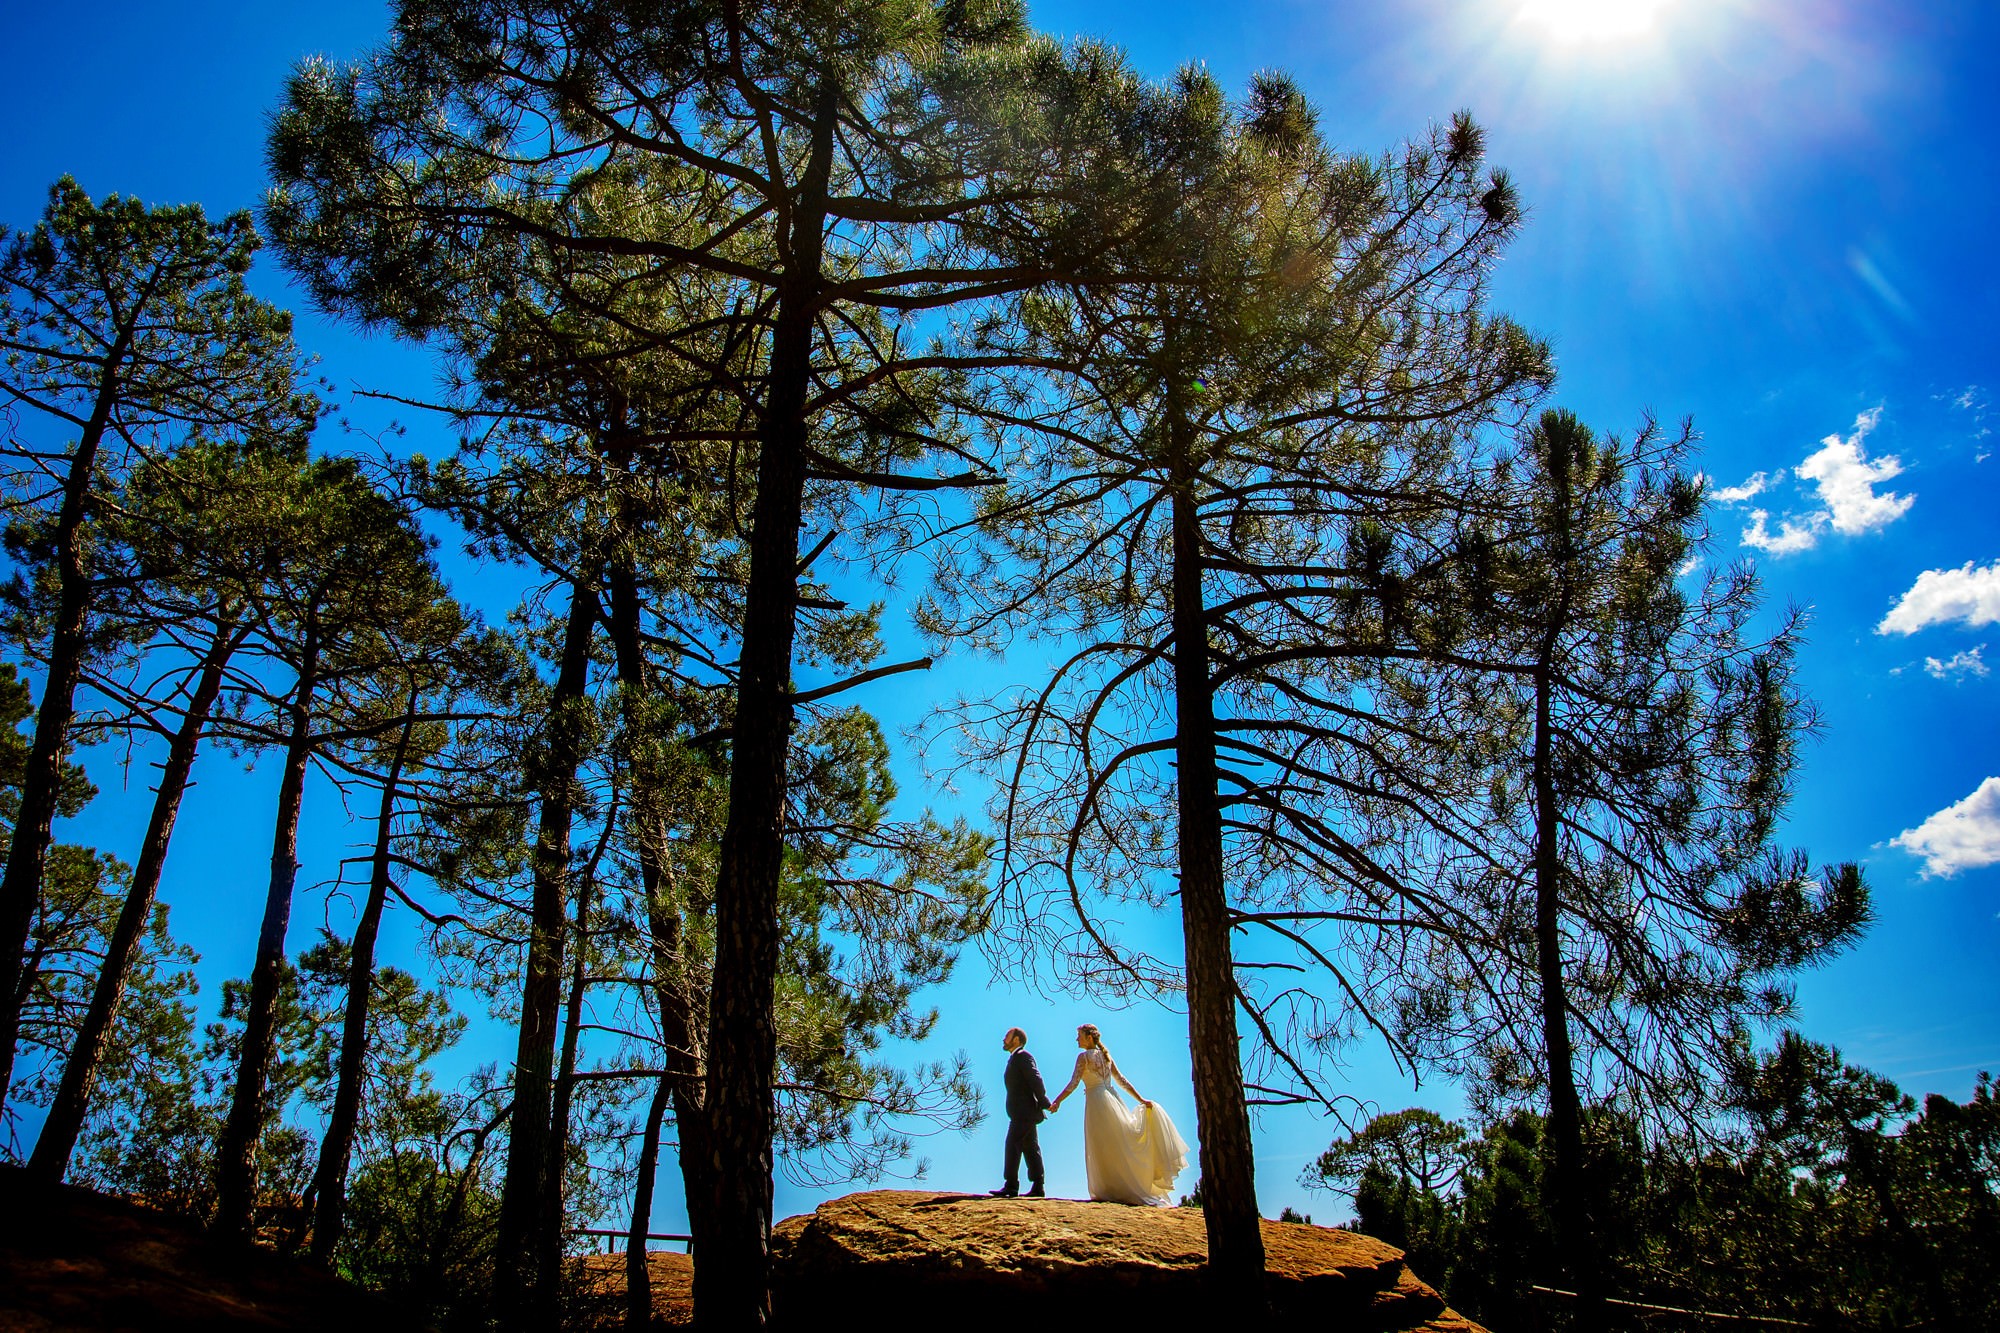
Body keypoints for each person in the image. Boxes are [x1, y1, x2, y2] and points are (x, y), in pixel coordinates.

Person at [1048, 1023, 1188, 1206]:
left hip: (1098, 1103)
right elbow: (1122, 1081)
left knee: (1103, 1144)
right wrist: (1141, 1099)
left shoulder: (1083, 1057)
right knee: (1117, 1142)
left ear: (1089, 1037)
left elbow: (1073, 1083)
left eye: (1079, 1036)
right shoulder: (1106, 1057)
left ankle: (1110, 1188)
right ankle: (1119, 1186)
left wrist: (1058, 1100)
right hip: (1113, 1099)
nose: (1077, 1039)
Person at [990, 1026, 1051, 1198]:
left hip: (1024, 1113)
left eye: (1007, 1036)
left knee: (1013, 1144)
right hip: (1022, 1113)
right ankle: (1038, 1187)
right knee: (1030, 1147)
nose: (1003, 1039)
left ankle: (1011, 1186)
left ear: (1016, 1040)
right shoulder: (1014, 1059)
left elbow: (1035, 1079)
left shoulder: (1023, 1056)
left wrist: (1044, 1101)